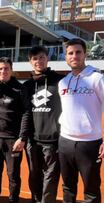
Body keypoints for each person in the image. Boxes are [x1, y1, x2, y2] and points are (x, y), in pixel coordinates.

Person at [58, 38, 104, 203]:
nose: (74, 56)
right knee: (68, 187)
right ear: (66, 57)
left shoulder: (97, 78)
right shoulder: (63, 82)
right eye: (70, 53)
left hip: (90, 144)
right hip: (65, 142)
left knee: (91, 191)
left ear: (85, 54)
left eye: (78, 52)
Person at [21, 46, 63, 203]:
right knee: (34, 176)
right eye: (35, 58)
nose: (38, 61)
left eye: (41, 57)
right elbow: (26, 113)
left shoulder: (60, 81)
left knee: (50, 178)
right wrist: (23, 137)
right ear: (30, 62)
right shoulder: (27, 86)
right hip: (33, 141)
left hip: (54, 140)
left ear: (47, 58)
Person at [0, 57, 27, 203]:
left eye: (6, 68)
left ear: (11, 70)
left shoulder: (20, 88)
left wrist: (22, 137)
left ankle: (13, 199)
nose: (3, 71)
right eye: (0, 69)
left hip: (13, 140)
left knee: (13, 174)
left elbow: (26, 113)